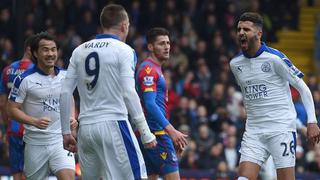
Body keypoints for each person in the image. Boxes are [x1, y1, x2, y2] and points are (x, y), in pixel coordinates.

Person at [59, 4, 157, 180]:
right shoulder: (125, 50)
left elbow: (65, 92)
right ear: (124, 26)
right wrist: (145, 131)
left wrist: (66, 132)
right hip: (114, 124)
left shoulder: (79, 50)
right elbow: (128, 91)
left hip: (86, 129)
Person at [229, 12, 320, 180]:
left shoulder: (275, 59)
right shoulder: (235, 64)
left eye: (246, 29)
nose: (241, 32)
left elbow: (303, 88)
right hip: (254, 131)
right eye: (239, 29)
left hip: (281, 129)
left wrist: (312, 121)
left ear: (258, 33)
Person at [7, 32, 76, 180]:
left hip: (60, 140)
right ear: (35, 53)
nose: (50, 53)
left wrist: (72, 117)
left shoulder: (66, 76)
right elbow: (11, 109)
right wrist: (34, 121)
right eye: (45, 49)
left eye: (53, 49)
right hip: (34, 143)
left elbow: (68, 98)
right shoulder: (23, 79)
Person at [135, 27, 188, 180]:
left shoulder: (154, 69)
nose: (166, 47)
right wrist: (171, 132)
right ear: (150, 47)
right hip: (156, 134)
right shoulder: (148, 70)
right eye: (161, 43)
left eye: (168, 43)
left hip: (150, 134)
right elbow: (150, 104)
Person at [0, 35, 35, 180]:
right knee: (29, 172)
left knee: (16, 172)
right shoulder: (36, 71)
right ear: (29, 49)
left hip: (13, 127)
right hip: (31, 128)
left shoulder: (7, 70)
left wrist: (7, 125)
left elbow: (2, 103)